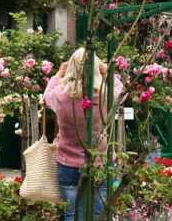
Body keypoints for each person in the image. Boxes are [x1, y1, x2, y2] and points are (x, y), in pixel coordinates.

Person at [43, 48, 123, 221]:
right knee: (101, 214)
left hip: (68, 163)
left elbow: (46, 96)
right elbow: (121, 91)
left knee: (72, 215)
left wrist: (58, 74)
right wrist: (107, 72)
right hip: (100, 161)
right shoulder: (104, 95)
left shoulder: (61, 95)